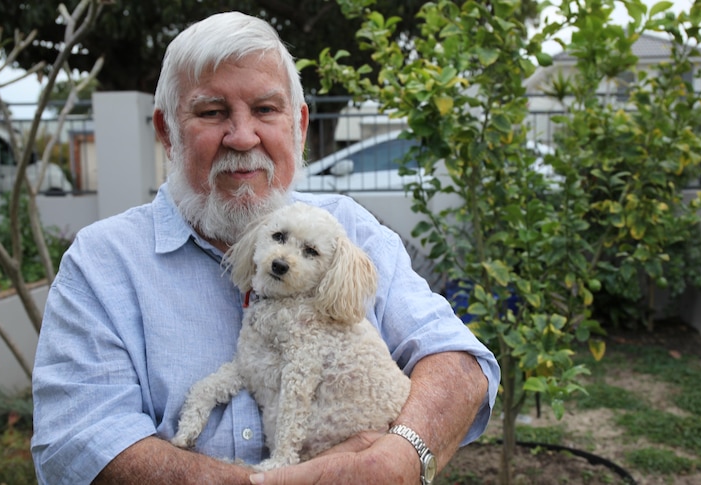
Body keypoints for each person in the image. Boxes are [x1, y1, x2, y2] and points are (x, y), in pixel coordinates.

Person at [31, 11, 499, 485]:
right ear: (166, 131)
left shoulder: (352, 230)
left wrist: (399, 459)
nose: (242, 136)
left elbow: (459, 362)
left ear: (298, 125)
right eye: (211, 112)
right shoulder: (102, 263)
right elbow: (80, 439)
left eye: (266, 110)